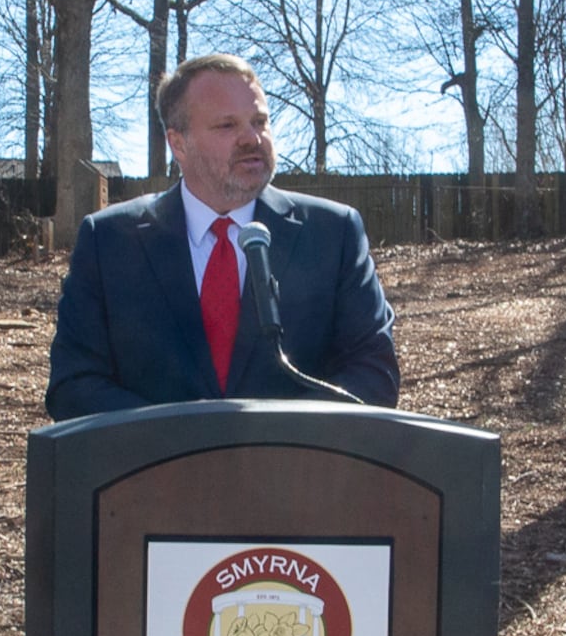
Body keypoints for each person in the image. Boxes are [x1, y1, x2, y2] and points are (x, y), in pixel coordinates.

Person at [48, 54, 399, 418]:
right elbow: (73, 386)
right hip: (155, 472)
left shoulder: (333, 234)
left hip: (295, 471)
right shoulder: (109, 242)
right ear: (178, 143)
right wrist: (182, 446)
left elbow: (374, 376)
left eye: (260, 121)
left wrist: (273, 445)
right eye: (227, 125)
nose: (252, 138)